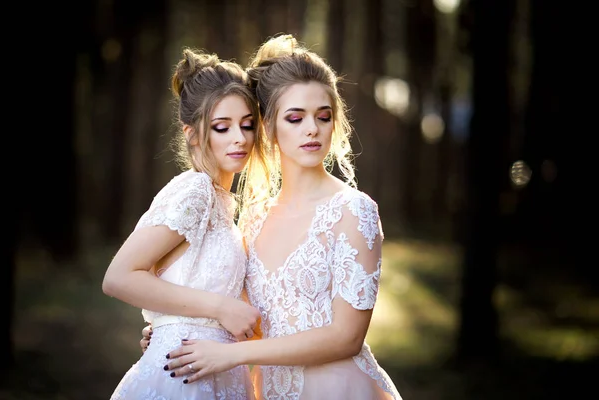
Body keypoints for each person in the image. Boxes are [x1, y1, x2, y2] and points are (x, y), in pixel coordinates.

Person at [159, 34, 403, 399]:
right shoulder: (254, 219)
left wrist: (230, 355)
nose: (312, 129)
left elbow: (346, 338)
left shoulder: (354, 210)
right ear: (268, 126)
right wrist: (180, 331)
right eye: (295, 117)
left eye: (323, 116)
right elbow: (248, 323)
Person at [102, 47, 272, 400]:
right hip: (183, 380)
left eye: (247, 124)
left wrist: (164, 322)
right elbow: (118, 277)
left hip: (217, 370)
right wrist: (218, 309)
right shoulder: (195, 190)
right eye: (222, 127)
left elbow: (171, 279)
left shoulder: (224, 205)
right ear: (193, 134)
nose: (239, 138)